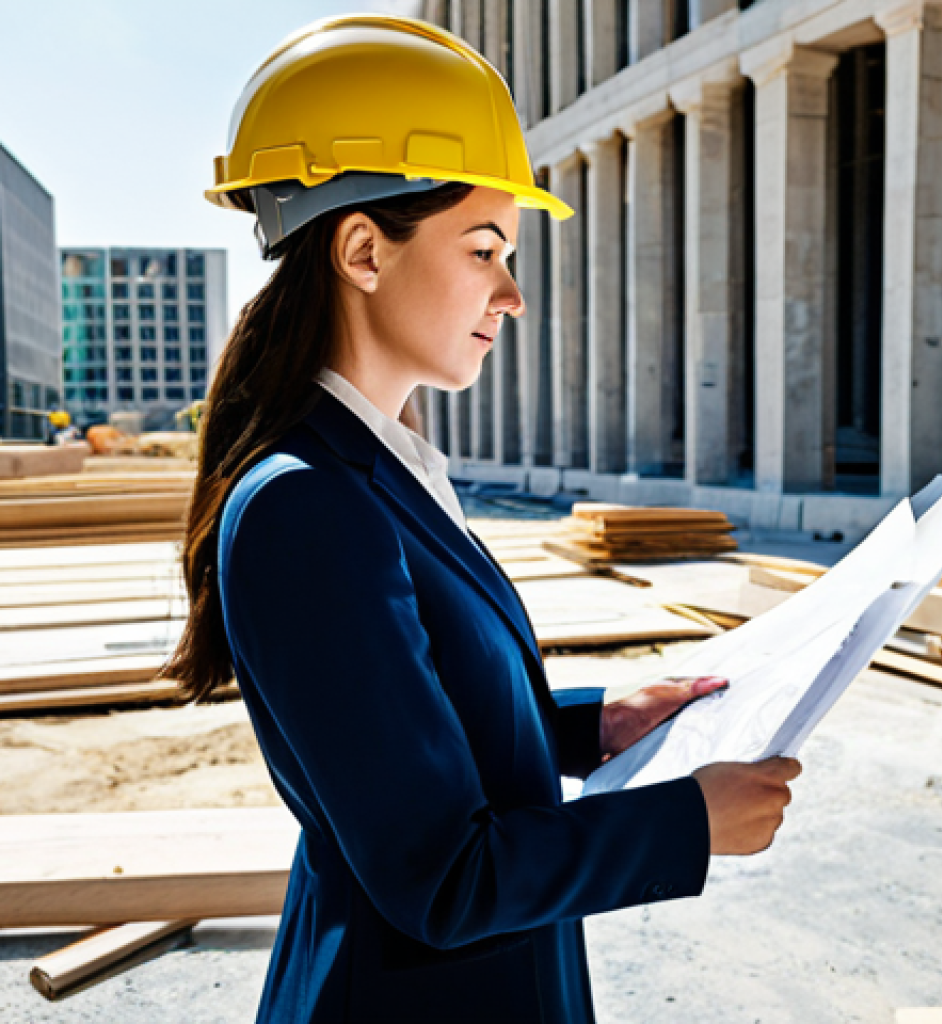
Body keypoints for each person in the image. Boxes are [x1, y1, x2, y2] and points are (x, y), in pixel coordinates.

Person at [165, 16, 801, 1024]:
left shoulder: (380, 470)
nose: (509, 292)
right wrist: (687, 821)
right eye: (483, 248)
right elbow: (440, 873)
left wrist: (594, 726)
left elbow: (416, 725)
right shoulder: (305, 506)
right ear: (364, 249)